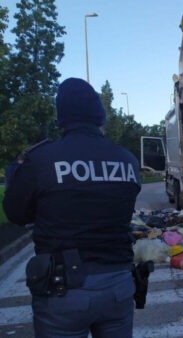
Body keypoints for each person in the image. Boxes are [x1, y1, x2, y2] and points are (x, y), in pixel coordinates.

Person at [2, 78, 141, 337]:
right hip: (119, 285)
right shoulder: (127, 159)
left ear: (61, 116)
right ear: (100, 115)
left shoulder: (41, 159)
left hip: (63, 291)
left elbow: (16, 213)